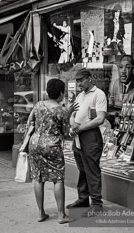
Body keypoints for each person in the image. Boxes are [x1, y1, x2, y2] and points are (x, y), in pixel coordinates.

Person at [21, 79, 78, 224]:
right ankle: (61, 215)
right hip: (52, 145)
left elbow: (29, 123)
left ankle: (41, 213)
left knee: (38, 178)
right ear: (61, 93)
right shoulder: (61, 110)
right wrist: (70, 115)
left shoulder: (39, 104)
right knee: (57, 178)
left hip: (35, 143)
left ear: (47, 91)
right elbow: (66, 134)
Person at [66, 68, 107, 217]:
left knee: (92, 170)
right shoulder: (80, 96)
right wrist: (73, 124)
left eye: (81, 80)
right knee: (82, 169)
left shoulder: (99, 94)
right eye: (77, 81)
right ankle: (83, 199)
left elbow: (100, 119)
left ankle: (97, 204)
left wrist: (79, 128)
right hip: (78, 135)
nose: (79, 84)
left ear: (89, 78)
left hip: (90, 136)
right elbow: (74, 115)